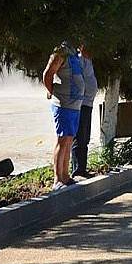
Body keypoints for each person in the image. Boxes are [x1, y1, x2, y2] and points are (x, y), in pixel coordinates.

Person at [43, 42, 85, 191]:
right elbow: (47, 74)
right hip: (63, 105)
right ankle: (57, 179)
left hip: (74, 106)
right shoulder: (60, 52)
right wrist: (53, 91)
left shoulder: (74, 53)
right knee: (62, 140)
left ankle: (65, 176)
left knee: (69, 140)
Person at [70, 44, 98, 178]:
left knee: (85, 138)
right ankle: (77, 170)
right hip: (81, 103)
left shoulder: (88, 60)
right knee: (79, 137)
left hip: (88, 103)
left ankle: (82, 168)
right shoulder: (79, 59)